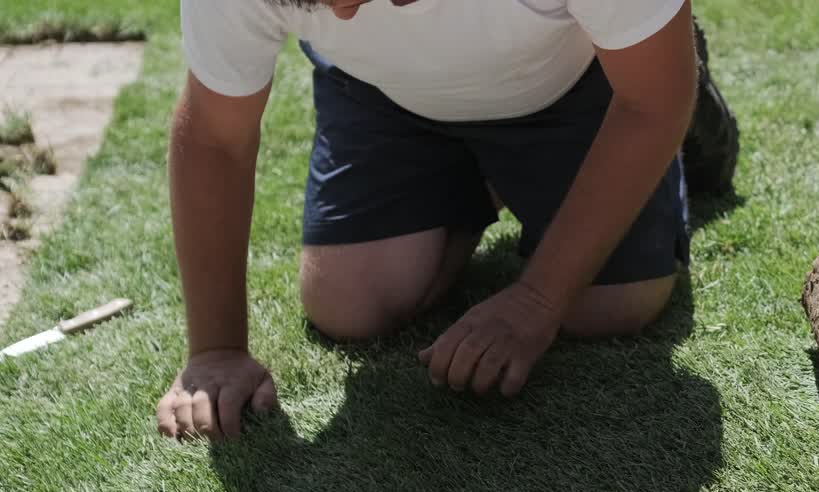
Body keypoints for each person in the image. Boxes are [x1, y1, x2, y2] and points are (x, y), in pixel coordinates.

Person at [156, 0, 739, 440]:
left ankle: (661, 49)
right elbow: (215, 138)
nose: (338, 12)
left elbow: (649, 103)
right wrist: (216, 351)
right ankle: (482, 180)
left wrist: (538, 299)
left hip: (583, 81)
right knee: (348, 304)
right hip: (388, 94)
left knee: (614, 304)